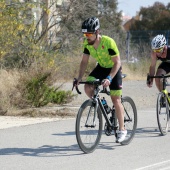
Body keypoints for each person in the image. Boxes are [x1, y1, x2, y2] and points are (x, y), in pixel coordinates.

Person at [75, 17, 127, 143]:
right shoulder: (87, 44)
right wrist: (79, 77)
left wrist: (109, 78)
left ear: (97, 32)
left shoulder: (109, 42)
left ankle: (122, 129)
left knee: (116, 100)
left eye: (89, 34)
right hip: (101, 68)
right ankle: (103, 105)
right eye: (85, 34)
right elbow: (84, 62)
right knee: (87, 87)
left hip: (114, 69)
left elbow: (117, 62)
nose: (87, 36)